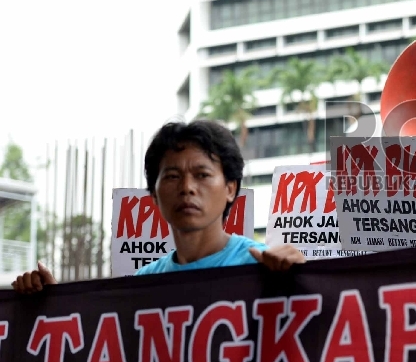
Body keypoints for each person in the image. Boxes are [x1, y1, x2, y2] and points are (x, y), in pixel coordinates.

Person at [12, 120, 305, 293]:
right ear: (154, 195)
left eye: (202, 175)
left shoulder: (266, 266)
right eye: (173, 176)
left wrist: (303, 280)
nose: (187, 187)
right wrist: (54, 304)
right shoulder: (143, 285)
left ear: (231, 189)